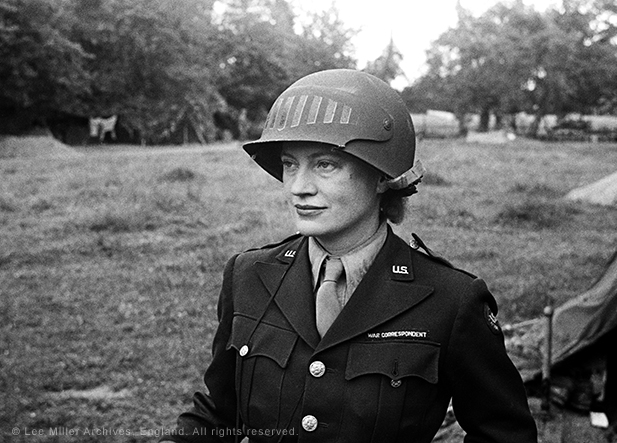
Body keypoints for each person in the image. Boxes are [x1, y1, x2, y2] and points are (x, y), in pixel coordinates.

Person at [163, 69, 538, 443]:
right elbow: (217, 415)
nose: (298, 187)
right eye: (290, 164)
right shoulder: (248, 275)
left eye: (325, 165)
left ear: (380, 177)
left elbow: (504, 435)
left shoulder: (450, 300)